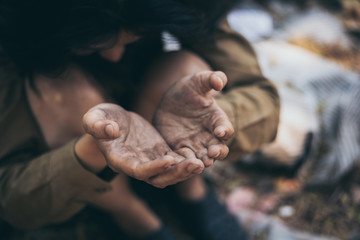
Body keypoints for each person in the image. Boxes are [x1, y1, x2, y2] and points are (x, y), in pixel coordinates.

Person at [0, 0, 280, 239]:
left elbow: (263, 100)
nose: (114, 55)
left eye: (135, 35)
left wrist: (205, 120)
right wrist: (93, 149)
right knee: (61, 88)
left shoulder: (194, 5)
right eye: (89, 46)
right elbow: (10, 199)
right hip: (76, 140)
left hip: (153, 106)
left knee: (182, 69)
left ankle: (190, 188)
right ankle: (132, 214)